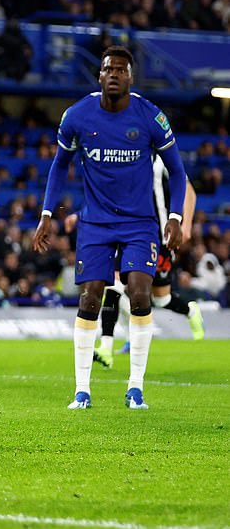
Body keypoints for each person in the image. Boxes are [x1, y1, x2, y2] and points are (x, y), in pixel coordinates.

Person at [33, 45, 188, 410]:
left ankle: (135, 387)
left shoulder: (150, 117)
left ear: (130, 78)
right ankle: (82, 391)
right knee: (90, 297)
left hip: (139, 223)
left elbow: (178, 172)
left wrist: (176, 218)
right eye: (108, 69)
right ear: (99, 76)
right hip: (95, 223)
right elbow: (59, 166)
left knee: (138, 293)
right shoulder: (77, 116)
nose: (114, 74)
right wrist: (45, 214)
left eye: (121, 70)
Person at [66, 164, 205, 369]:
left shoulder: (161, 158)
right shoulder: (127, 156)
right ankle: (106, 347)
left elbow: (189, 191)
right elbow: (111, 196)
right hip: (130, 235)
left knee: (162, 298)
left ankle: (190, 310)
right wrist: (80, 215)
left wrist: (185, 225)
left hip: (161, 239)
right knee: (113, 285)